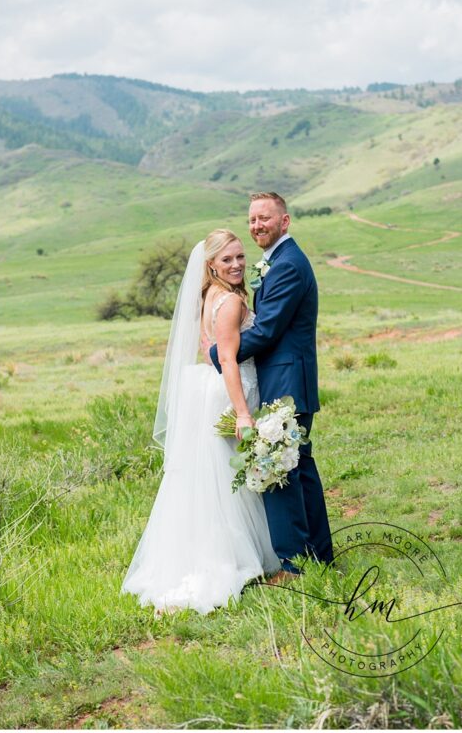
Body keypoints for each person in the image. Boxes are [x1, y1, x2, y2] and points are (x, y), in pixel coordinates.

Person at [122, 229, 281, 614]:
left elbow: (203, 346)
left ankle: (199, 553)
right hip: (226, 391)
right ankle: (223, 561)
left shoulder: (207, 295)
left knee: (206, 476)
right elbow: (226, 358)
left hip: (204, 389)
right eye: (227, 260)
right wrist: (243, 412)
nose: (237, 265)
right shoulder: (228, 302)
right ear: (211, 264)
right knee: (225, 480)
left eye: (240, 257)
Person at [208, 192, 333, 579]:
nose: (257, 225)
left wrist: (219, 354)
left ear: (285, 221)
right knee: (299, 467)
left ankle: (294, 566)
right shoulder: (278, 261)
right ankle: (318, 556)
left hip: (286, 380)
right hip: (285, 378)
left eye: (265, 218)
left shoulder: (289, 265)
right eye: (252, 219)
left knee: (279, 469)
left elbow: (265, 330)